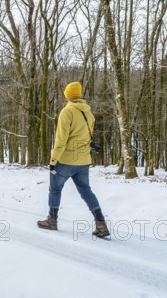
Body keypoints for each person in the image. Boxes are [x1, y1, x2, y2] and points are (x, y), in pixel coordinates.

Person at [37, 81, 110, 239]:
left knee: (55, 189)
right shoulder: (88, 113)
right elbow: (84, 137)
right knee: (86, 191)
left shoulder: (67, 111)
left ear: (68, 95)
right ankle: (101, 224)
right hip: (83, 161)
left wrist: (53, 161)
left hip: (66, 160)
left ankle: (52, 221)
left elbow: (61, 139)